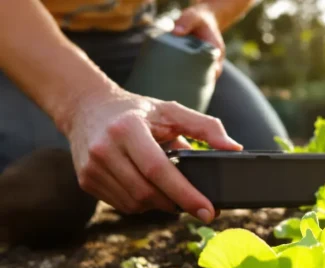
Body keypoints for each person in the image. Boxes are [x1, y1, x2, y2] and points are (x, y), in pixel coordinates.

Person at [0, 1, 288, 247]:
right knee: (49, 193)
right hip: (19, 35)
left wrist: (212, 11)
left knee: (264, 165)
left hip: (137, 36)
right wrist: (83, 102)